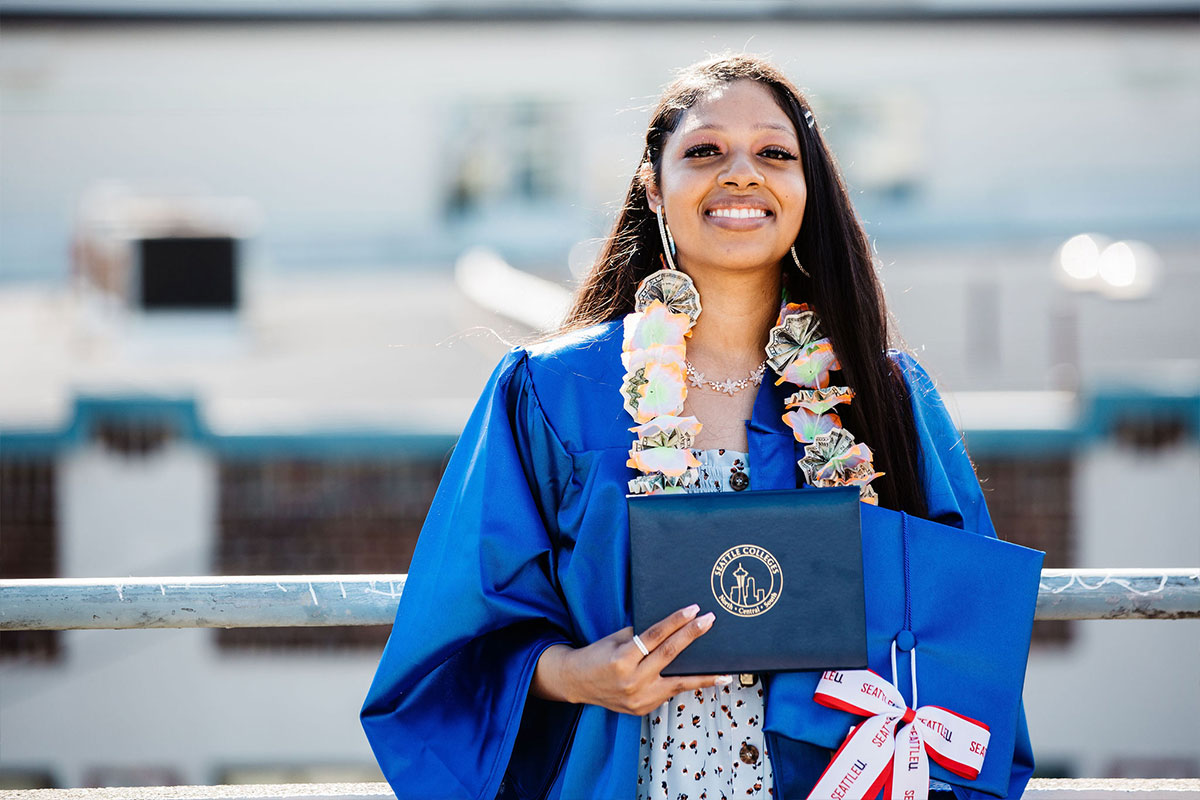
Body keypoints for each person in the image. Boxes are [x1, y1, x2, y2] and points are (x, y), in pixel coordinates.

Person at [361, 54, 1033, 799]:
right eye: (705, 151)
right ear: (654, 186)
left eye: (776, 153)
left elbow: (963, 641)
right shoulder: (554, 393)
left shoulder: (883, 395)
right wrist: (579, 676)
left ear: (808, 189)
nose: (743, 173)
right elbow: (454, 642)